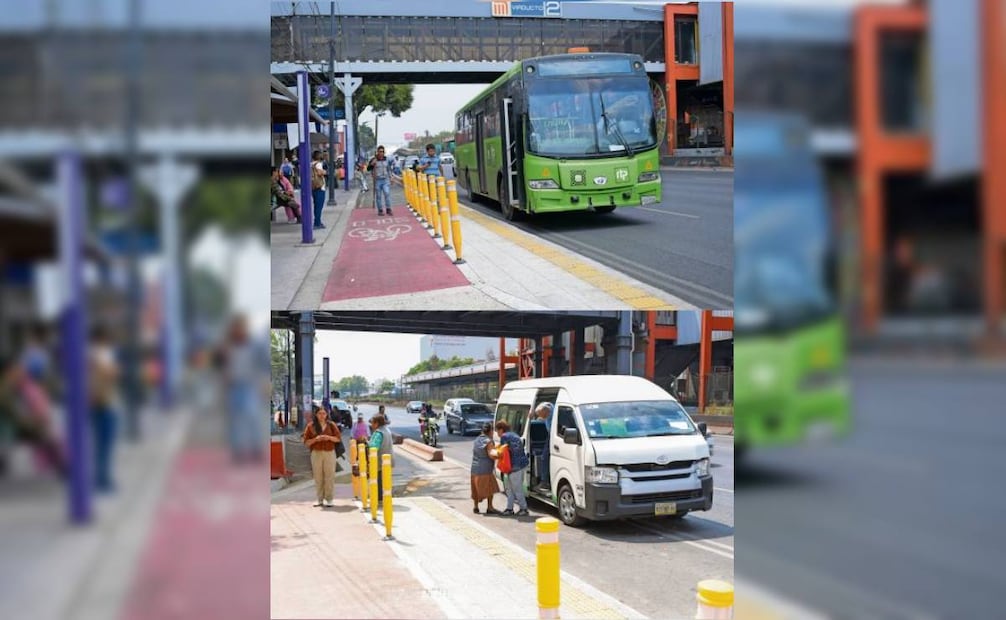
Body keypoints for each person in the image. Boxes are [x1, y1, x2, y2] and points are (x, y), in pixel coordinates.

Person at [89, 326, 120, 492]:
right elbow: (111, 374)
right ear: (103, 338)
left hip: (96, 403)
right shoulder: (102, 354)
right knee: (105, 445)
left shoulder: (90, 354)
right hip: (106, 403)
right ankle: (103, 480)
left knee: (99, 444)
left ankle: (100, 478)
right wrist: (114, 370)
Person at [303, 403, 340, 507]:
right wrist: (316, 439)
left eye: (324, 413)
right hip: (316, 453)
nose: (322, 416)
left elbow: (338, 439)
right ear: (316, 414)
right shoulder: (310, 426)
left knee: (329, 476)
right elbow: (306, 442)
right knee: (318, 476)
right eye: (320, 413)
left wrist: (328, 438)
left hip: (329, 452)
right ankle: (319, 499)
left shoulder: (331, 425)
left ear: (327, 414)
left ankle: (329, 499)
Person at [494, 420, 530, 517]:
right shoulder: (514, 435)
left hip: (514, 467)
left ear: (501, 430)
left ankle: (523, 508)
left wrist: (494, 453)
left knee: (516, 489)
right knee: (510, 489)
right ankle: (509, 508)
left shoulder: (504, 437)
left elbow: (503, 452)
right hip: (522, 464)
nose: (497, 434)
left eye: (497, 431)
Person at [471, 422, 501, 515]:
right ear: (490, 431)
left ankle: (476, 507)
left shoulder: (476, 440)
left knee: (475, 488)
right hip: (485, 469)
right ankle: (490, 507)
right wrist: (500, 455)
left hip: (474, 468)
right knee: (490, 488)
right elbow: (491, 455)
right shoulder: (489, 441)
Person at [367, 414, 394, 505]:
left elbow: (373, 447)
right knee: (385, 482)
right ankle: (384, 499)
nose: (371, 425)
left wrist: (366, 443)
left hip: (379, 462)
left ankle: (378, 500)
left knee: (378, 482)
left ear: (377, 423)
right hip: (388, 461)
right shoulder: (387, 430)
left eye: (372, 423)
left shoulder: (378, 433)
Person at [529, 402, 553, 490]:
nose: (541, 417)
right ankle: (545, 481)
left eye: (541, 415)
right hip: (550, 436)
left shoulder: (553, 414)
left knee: (544, 457)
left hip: (553, 436)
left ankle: (544, 482)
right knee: (545, 457)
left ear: (545, 411)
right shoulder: (547, 411)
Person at [367, 145, 393, 216]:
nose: (381, 153)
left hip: (385, 180)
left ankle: (388, 209)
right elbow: (368, 169)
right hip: (377, 180)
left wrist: (391, 177)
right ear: (377, 152)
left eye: (383, 152)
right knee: (378, 196)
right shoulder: (374, 159)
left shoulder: (386, 159)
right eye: (380, 151)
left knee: (387, 193)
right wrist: (372, 164)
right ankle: (380, 210)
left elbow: (388, 169)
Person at [311, 150, 327, 229]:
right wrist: (325, 172)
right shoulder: (318, 164)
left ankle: (317, 221)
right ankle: (317, 223)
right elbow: (320, 173)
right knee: (319, 206)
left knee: (316, 205)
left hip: (313, 187)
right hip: (320, 187)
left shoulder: (311, 164)